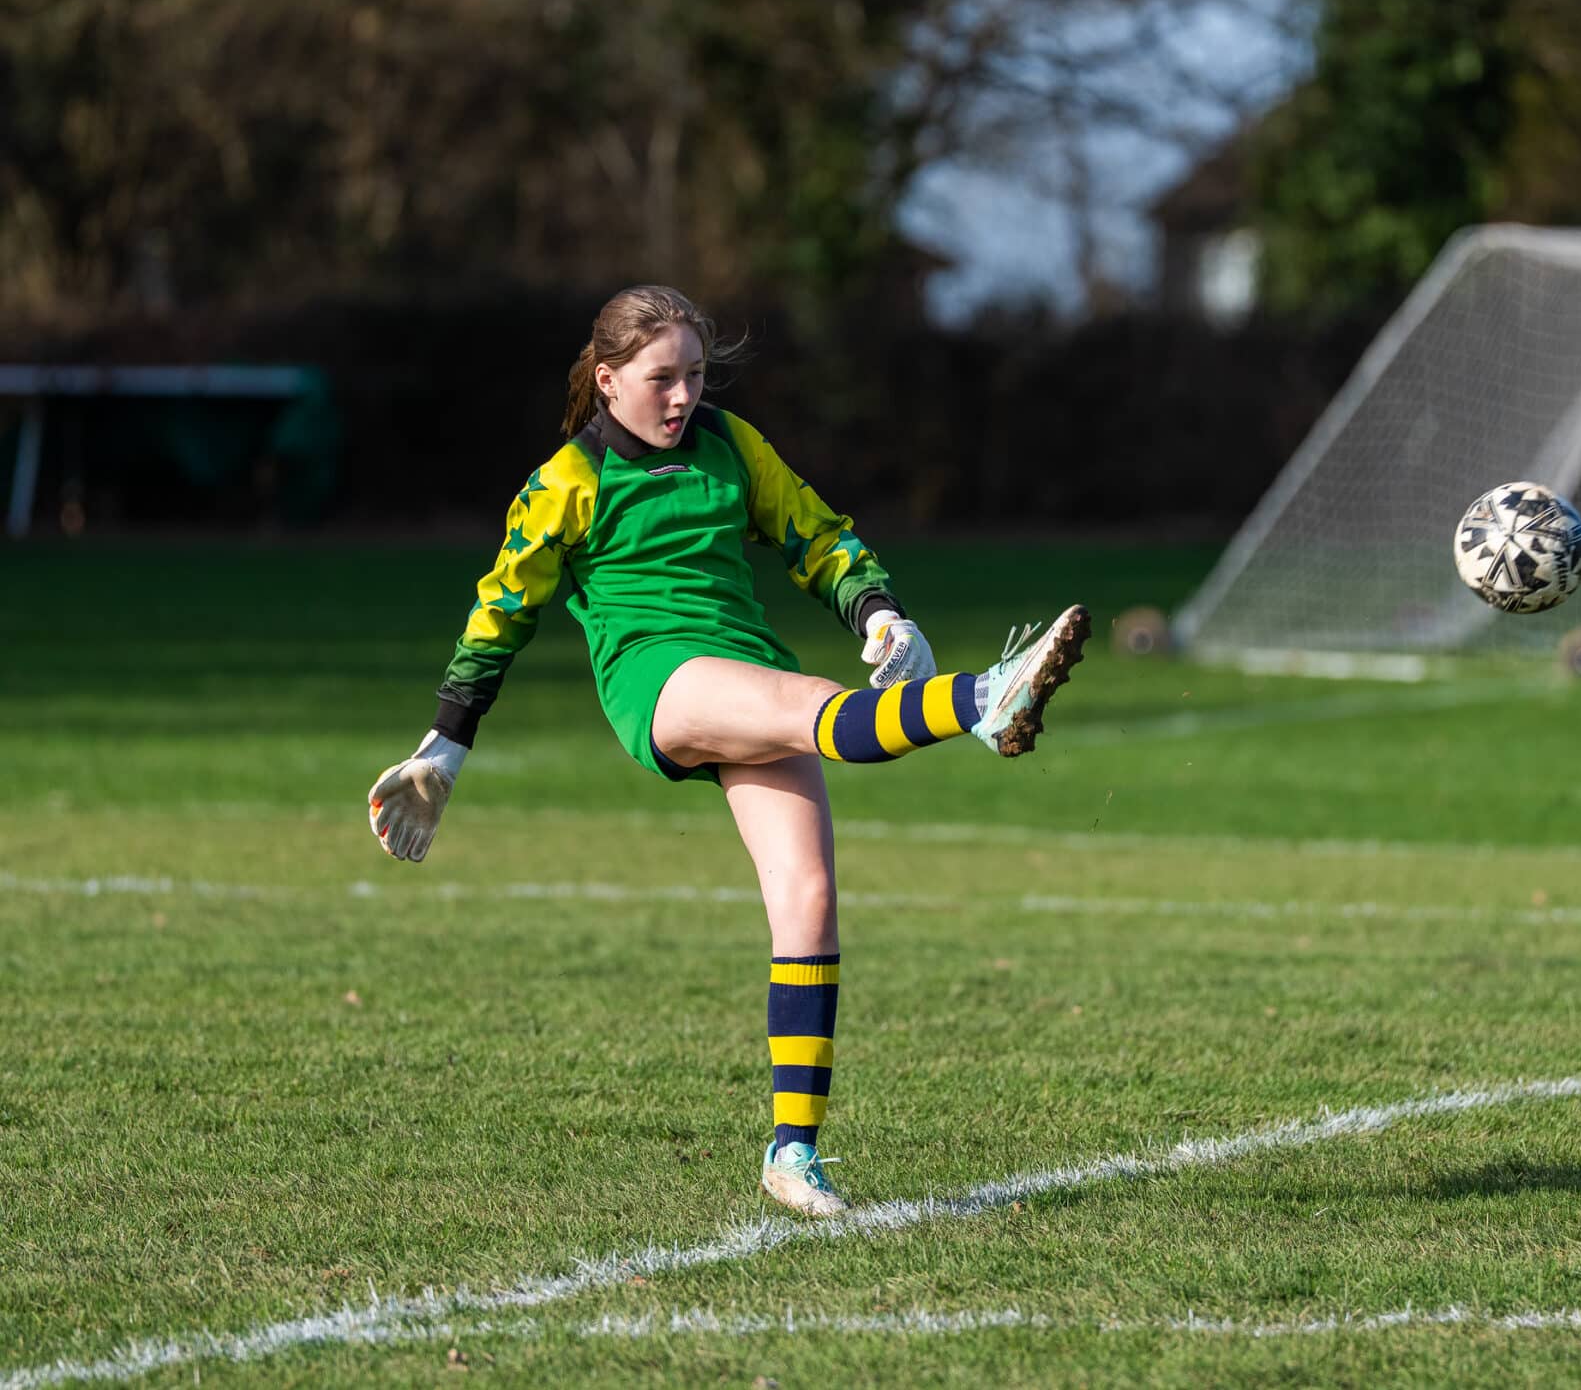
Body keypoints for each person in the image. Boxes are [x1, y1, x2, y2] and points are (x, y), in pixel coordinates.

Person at [366, 285, 1089, 1217]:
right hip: (657, 679)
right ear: (607, 379)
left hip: (745, 661)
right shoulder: (564, 484)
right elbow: (498, 615)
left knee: (809, 899)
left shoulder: (730, 444)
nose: (681, 397)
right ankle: (988, 699)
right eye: (661, 379)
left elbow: (816, 535)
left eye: (695, 375)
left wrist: (879, 615)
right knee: (826, 712)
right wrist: (445, 748)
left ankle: (794, 1155)